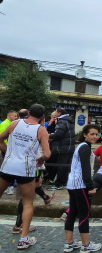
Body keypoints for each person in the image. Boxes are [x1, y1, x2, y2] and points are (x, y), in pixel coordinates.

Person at [0, 104, 51, 250]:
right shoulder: (41, 130)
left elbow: (0, 139)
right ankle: (24, 239)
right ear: (42, 117)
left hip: (8, 166)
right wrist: (41, 159)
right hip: (26, 169)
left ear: (28, 112)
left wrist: (7, 152)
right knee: (28, 203)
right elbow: (47, 154)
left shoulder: (15, 123)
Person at [64, 124, 102, 252]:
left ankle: (69, 243)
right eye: (92, 134)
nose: (95, 137)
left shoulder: (80, 146)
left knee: (72, 213)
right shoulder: (85, 148)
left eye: (96, 134)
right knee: (84, 215)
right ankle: (86, 245)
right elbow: (86, 169)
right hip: (81, 186)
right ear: (85, 134)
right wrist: (90, 186)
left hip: (72, 184)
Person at [48, 108, 76, 190]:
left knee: (61, 166)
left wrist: (48, 136)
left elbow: (58, 134)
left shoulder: (62, 121)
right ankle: (62, 182)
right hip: (67, 147)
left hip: (62, 147)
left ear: (59, 113)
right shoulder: (68, 120)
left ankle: (60, 183)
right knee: (64, 166)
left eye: (56, 112)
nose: (55, 113)